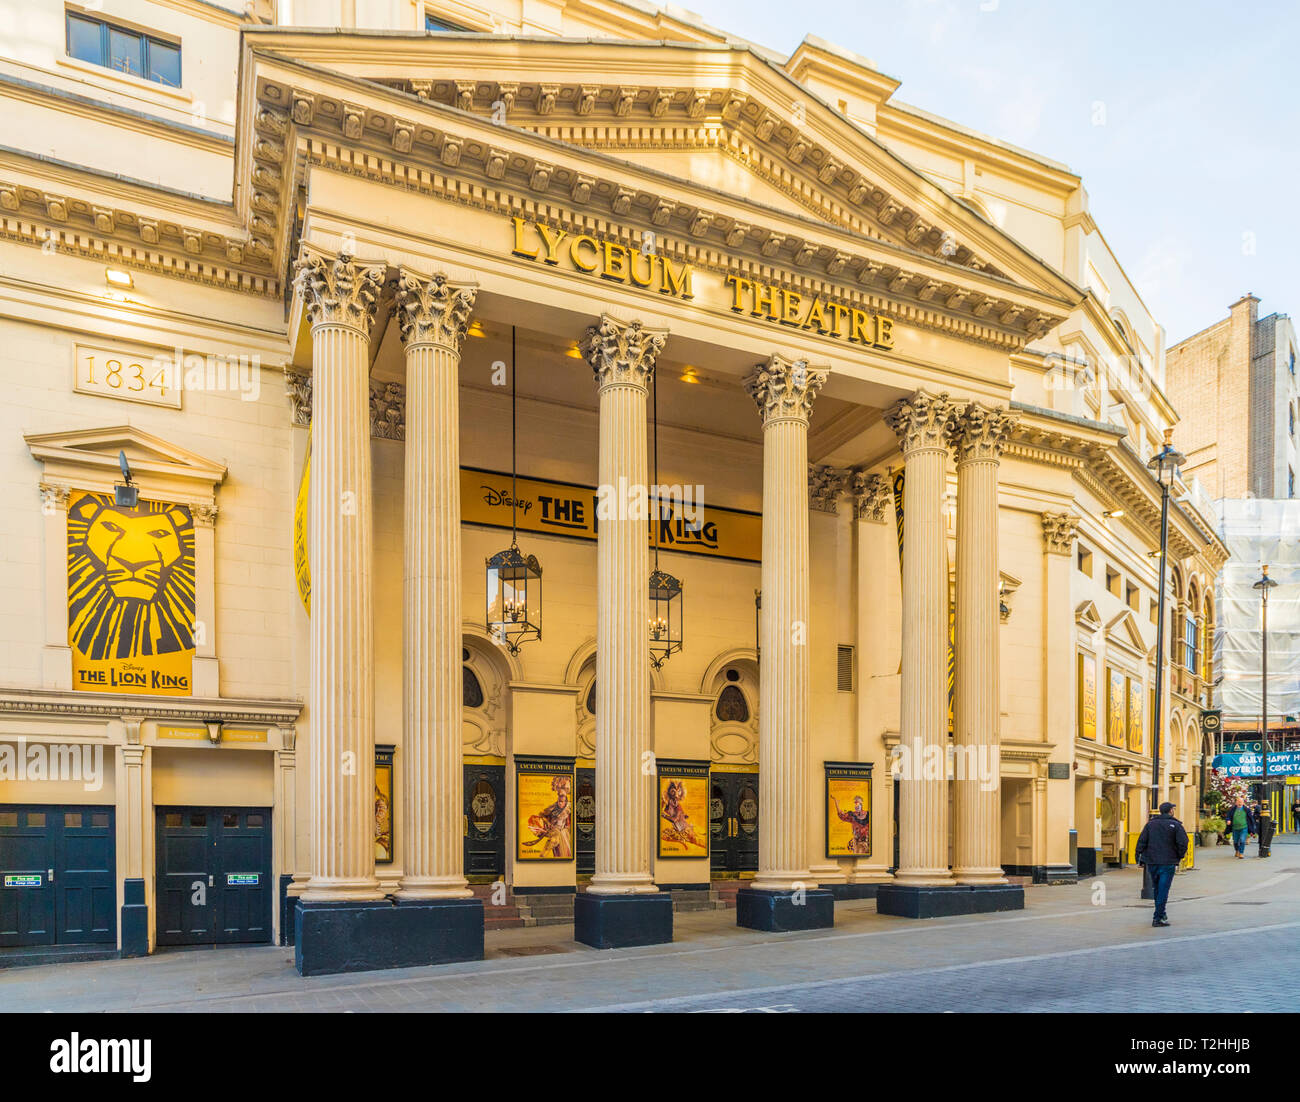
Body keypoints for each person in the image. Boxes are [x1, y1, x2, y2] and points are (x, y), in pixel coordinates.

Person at [1135, 802, 1189, 928]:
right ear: (1170, 811)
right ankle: (1158, 917)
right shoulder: (1176, 825)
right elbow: (1183, 843)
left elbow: (1142, 841)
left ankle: (1161, 913)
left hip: (1152, 862)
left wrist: (1139, 856)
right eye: (1173, 809)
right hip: (1168, 862)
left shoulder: (1150, 824)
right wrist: (1179, 856)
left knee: (1157, 889)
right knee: (1163, 890)